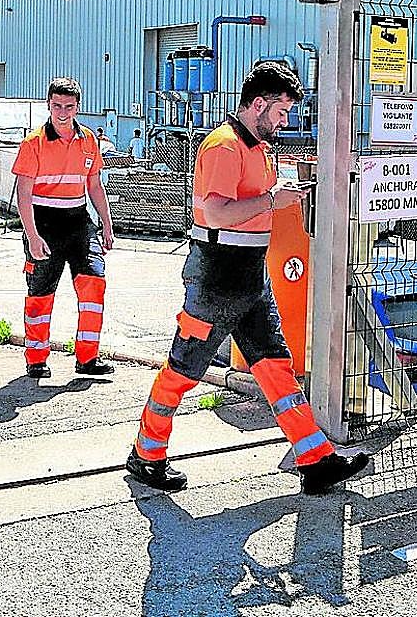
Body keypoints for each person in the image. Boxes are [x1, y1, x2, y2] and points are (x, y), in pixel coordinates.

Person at [126, 61, 369, 492]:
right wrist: (273, 202)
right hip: (216, 278)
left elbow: (253, 204)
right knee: (183, 370)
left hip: (249, 278)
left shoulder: (257, 148)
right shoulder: (223, 146)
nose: (285, 119)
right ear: (258, 104)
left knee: (276, 365)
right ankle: (146, 455)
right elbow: (216, 212)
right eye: (281, 111)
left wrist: (280, 198)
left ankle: (314, 460)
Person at [13, 77, 116, 379]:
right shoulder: (34, 144)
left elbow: (95, 186)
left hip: (79, 222)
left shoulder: (88, 140)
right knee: (41, 294)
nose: (62, 112)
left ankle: (87, 358)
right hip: (44, 224)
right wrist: (32, 236)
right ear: (48, 104)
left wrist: (107, 226)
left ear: (77, 107)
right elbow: (23, 194)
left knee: (94, 284)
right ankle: (36, 358)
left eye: (69, 106)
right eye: (57, 105)